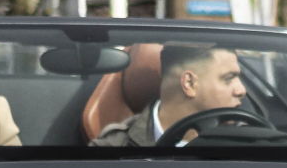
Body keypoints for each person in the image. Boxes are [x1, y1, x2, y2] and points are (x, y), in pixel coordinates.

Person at [93, 45, 249, 146]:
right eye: (228, 78)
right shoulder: (113, 147)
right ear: (189, 83)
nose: (241, 90)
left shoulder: (250, 143)